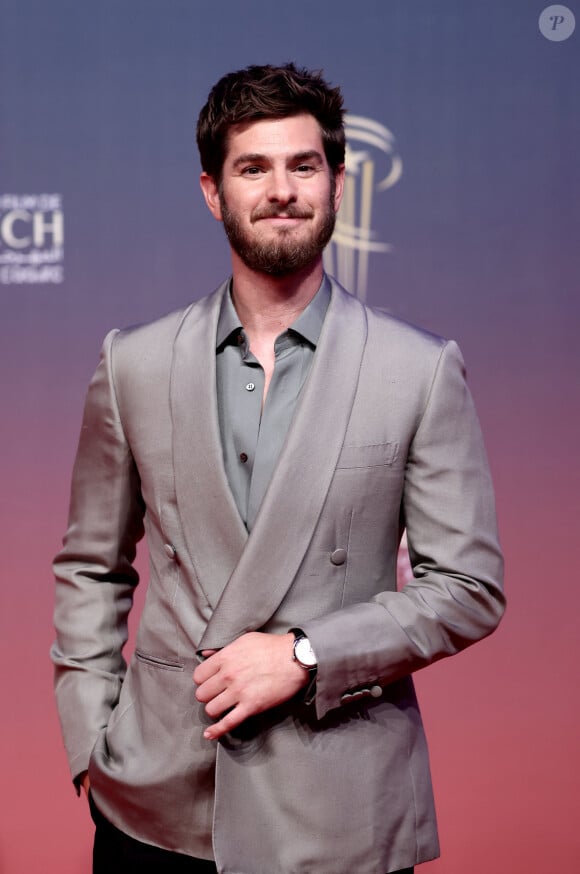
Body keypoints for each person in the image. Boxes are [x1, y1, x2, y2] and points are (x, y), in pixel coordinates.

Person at [52, 63, 505, 874]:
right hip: (157, 800)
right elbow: (91, 565)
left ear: (338, 181)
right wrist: (92, 741)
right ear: (212, 191)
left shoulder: (419, 370)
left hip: (339, 809)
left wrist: (305, 654)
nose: (281, 190)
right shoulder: (135, 364)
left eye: (303, 165)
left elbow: (468, 589)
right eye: (252, 168)